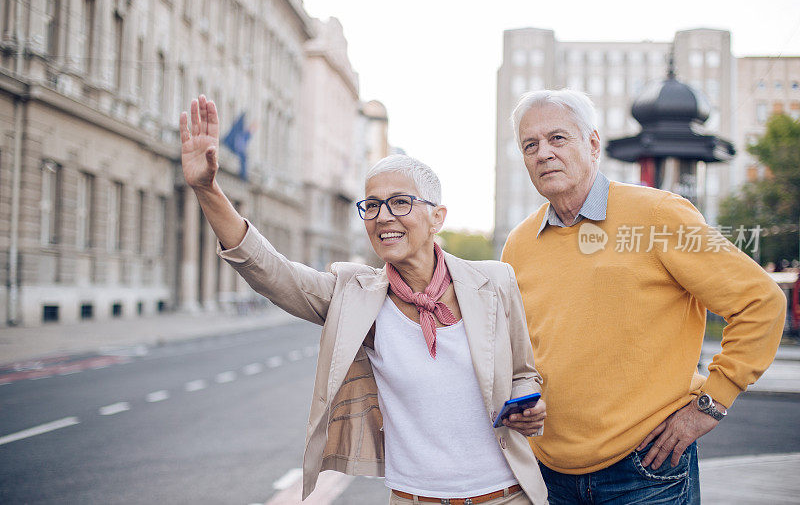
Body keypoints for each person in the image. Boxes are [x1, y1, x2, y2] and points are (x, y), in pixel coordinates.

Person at [179, 95, 550, 504]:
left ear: (437, 217)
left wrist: (528, 406)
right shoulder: (356, 295)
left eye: (400, 203)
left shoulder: (494, 282)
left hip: (504, 496)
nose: (383, 216)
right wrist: (207, 188)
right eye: (372, 205)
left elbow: (524, 373)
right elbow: (271, 271)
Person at [501, 89, 787, 504]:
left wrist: (711, 404)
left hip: (646, 471)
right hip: (550, 473)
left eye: (558, 138)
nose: (544, 153)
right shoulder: (519, 243)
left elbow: (761, 301)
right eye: (531, 144)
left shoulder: (657, 216)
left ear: (593, 144)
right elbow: (521, 345)